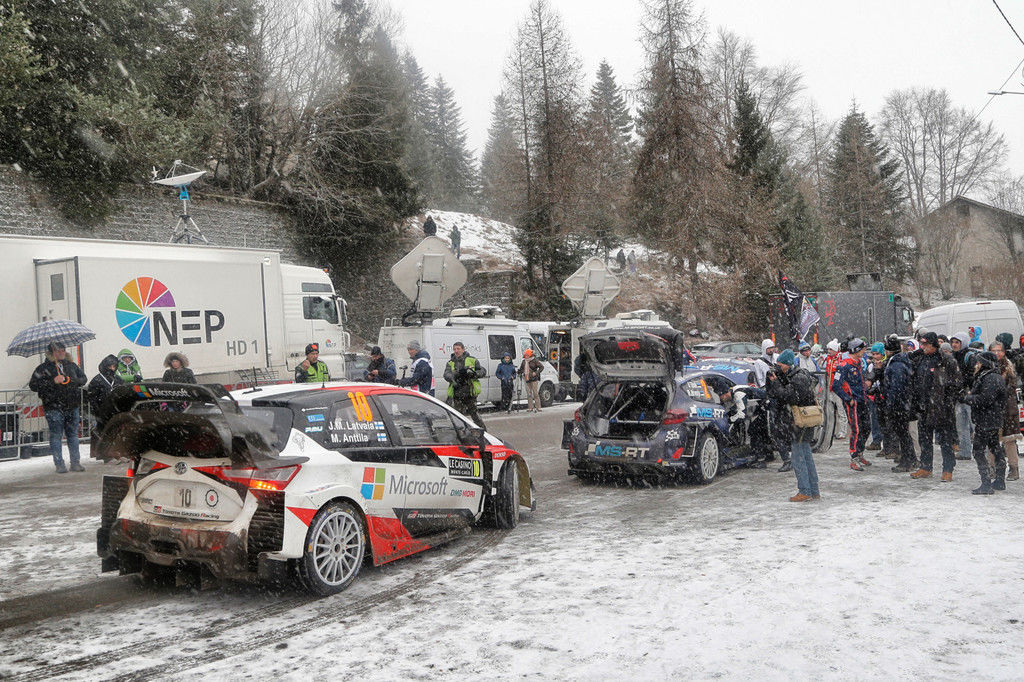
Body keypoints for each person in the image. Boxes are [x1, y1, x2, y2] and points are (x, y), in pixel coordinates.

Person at [766, 349, 820, 502]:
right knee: (806, 455)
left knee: (798, 457)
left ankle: (805, 491)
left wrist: (776, 382)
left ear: (788, 364)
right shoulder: (798, 375)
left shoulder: (798, 378)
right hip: (800, 421)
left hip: (800, 422)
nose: (778, 367)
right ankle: (813, 490)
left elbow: (787, 396)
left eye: (780, 364)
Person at [29, 341, 88, 473]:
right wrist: (52, 381)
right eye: (58, 351)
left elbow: (83, 379)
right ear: (51, 353)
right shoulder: (43, 368)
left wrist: (71, 380)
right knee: (56, 435)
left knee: (73, 435)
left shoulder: (71, 365)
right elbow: (33, 385)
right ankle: (59, 464)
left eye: (63, 350)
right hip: (53, 407)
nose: (61, 353)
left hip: (72, 405)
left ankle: (75, 462)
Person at [910, 332, 961, 482]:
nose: (923, 347)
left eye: (926, 344)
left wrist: (946, 400)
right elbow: (915, 380)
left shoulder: (946, 360)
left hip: (942, 408)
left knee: (945, 441)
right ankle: (926, 467)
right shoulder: (920, 359)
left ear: (933, 345)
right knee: (924, 439)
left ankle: (948, 469)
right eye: (922, 344)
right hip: (924, 406)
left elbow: (957, 384)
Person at [963, 351, 1008, 494]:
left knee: (978, 450)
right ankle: (999, 480)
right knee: (995, 448)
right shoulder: (992, 376)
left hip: (987, 419)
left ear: (984, 364)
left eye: (979, 362)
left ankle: (986, 483)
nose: (976, 365)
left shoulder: (990, 377)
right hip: (992, 418)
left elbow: (985, 399)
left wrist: (967, 398)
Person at [705, 374, 768, 469]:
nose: (721, 399)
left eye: (721, 396)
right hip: (757, 409)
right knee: (754, 431)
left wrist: (729, 420)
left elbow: (741, 415)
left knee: (755, 432)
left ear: (726, 393)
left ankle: (761, 460)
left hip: (765, 407)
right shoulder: (732, 393)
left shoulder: (738, 394)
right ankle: (763, 456)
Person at [833, 338, 872, 470]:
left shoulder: (859, 362)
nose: (864, 351)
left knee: (867, 428)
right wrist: (848, 399)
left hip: (863, 400)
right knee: (856, 430)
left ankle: (860, 453)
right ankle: (853, 458)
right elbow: (835, 386)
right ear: (856, 350)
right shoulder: (844, 365)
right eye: (862, 349)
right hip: (853, 403)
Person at [882, 336, 917, 473]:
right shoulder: (900, 361)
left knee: (903, 433)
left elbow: (896, 387)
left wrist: (891, 403)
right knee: (904, 433)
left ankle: (907, 460)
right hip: (902, 403)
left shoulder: (896, 365)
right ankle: (911, 458)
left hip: (899, 405)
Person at [991, 340, 1020, 481]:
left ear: (1004, 352)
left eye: (999, 350)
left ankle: (1014, 468)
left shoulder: (1008, 367)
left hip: (1007, 408)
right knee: (991, 440)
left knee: (1009, 440)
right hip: (990, 409)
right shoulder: (984, 366)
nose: (997, 353)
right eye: (994, 351)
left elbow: (1011, 388)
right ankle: (991, 468)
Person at [444, 341, 486, 427]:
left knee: (474, 414)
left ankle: (482, 431)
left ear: (463, 349)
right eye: (454, 349)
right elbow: (446, 374)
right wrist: (453, 377)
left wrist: (474, 374)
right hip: (457, 391)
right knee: (458, 415)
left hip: (469, 391)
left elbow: (482, 371)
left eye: (458, 349)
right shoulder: (450, 362)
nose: (456, 351)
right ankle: (462, 431)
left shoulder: (472, 360)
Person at [87, 354, 123, 438]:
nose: (112, 369)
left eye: (114, 366)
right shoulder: (97, 380)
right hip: (102, 413)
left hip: (116, 412)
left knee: (117, 435)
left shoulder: (118, 379)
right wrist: (98, 412)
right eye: (110, 366)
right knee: (104, 435)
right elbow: (92, 399)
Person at [950, 332, 974, 460]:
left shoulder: (969, 356)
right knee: (961, 426)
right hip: (958, 397)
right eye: (953, 342)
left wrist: (962, 384)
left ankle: (985, 453)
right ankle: (965, 452)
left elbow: (972, 375)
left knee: (974, 425)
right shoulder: (952, 357)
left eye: (957, 342)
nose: (954, 345)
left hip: (969, 395)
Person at [865, 342, 885, 452]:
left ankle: (885, 443)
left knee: (883, 421)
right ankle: (876, 440)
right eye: (873, 354)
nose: (875, 356)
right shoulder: (870, 365)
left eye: (877, 354)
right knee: (874, 419)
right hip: (873, 396)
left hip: (883, 395)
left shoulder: (885, 364)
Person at [518, 348, 543, 413]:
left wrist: (536, 373)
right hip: (527, 378)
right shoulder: (524, 361)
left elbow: (541, 367)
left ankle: (538, 407)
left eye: (527, 355)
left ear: (530, 355)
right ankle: (530, 407)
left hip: (534, 379)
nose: (526, 356)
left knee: (535, 393)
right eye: (525, 355)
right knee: (529, 393)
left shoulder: (535, 360)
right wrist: (519, 371)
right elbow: (521, 369)